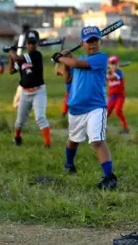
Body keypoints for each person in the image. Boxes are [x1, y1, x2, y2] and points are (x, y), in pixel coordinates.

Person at [51, 25, 117, 190]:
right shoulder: (77, 60)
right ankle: (69, 164)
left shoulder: (100, 58)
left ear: (100, 42)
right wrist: (66, 63)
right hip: (76, 109)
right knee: (73, 141)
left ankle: (110, 177)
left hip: (95, 107)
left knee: (97, 141)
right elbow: (67, 79)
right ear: (82, 43)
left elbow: (76, 63)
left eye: (95, 40)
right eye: (89, 41)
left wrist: (60, 58)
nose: (93, 44)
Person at [5, 30, 52, 147]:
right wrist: (11, 54)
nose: (31, 45)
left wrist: (11, 50)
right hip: (25, 93)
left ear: (37, 44)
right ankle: (17, 138)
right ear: (26, 44)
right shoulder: (22, 57)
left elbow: (18, 58)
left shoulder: (36, 55)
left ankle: (48, 144)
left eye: (33, 43)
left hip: (38, 92)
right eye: (29, 43)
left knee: (40, 117)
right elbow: (11, 70)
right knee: (20, 121)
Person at [106, 55, 129, 133]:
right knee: (106, 112)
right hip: (111, 97)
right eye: (112, 64)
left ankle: (125, 128)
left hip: (120, 96)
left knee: (118, 110)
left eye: (115, 64)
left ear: (118, 64)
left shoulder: (119, 72)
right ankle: (102, 127)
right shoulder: (108, 73)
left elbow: (113, 77)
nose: (113, 66)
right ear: (109, 65)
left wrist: (104, 75)